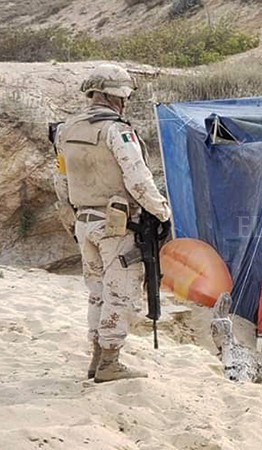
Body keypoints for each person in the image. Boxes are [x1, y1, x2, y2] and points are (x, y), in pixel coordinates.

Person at [52, 63, 171, 383]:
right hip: (117, 225)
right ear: (115, 96)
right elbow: (138, 180)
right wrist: (163, 213)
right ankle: (110, 362)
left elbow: (60, 180)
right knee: (120, 292)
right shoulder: (118, 131)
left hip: (84, 221)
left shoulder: (65, 130)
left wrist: (70, 216)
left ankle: (96, 357)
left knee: (97, 291)